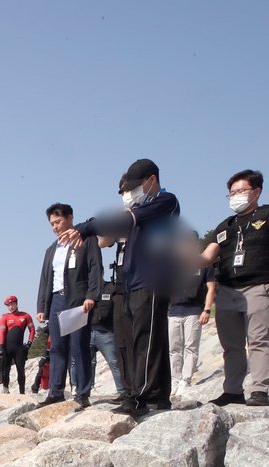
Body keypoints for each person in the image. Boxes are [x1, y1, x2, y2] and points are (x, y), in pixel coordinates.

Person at [57, 159, 180, 414]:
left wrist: (83, 227)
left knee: (147, 340)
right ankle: (155, 396)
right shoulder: (136, 211)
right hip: (131, 283)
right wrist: (90, 230)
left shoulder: (165, 202)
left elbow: (123, 221)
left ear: (152, 180)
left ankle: (140, 398)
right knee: (136, 342)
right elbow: (109, 235)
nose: (130, 194)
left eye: (135, 187)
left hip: (152, 280)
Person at [199, 170, 269, 407]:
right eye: (231, 193)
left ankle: (259, 389)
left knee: (259, 340)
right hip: (228, 290)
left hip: (259, 285)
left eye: (241, 191)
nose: (235, 196)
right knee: (231, 346)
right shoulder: (225, 225)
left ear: (256, 191)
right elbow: (206, 257)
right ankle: (232, 391)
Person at [36, 203, 102, 409]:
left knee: (79, 347)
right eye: (52, 224)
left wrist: (92, 295)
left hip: (77, 299)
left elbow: (95, 268)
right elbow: (45, 279)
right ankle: (55, 392)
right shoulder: (51, 250)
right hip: (56, 300)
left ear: (70, 218)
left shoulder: (86, 240)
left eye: (58, 221)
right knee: (56, 348)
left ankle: (82, 392)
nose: (55, 226)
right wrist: (42, 306)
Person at [167, 229, 215, 396]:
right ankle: (174, 379)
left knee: (190, 347)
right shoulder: (174, 265)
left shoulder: (204, 263)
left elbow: (211, 288)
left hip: (194, 310)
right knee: (174, 348)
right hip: (173, 311)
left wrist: (207, 309)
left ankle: (186, 379)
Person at [88, 252, 129, 402]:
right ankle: (86, 391)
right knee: (88, 363)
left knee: (114, 361)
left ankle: (122, 391)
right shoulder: (85, 291)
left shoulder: (111, 288)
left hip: (106, 333)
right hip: (88, 331)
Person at [0, 296, 35, 394]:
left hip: (19, 349)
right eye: (8, 305)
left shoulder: (25, 316)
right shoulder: (4, 317)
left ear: (16, 303)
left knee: (21, 370)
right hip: (7, 348)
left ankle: (22, 392)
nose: (10, 307)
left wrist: (29, 343)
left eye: (12, 304)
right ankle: (5, 390)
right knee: (6, 370)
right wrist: (1, 346)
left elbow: (32, 330)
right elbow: (2, 333)